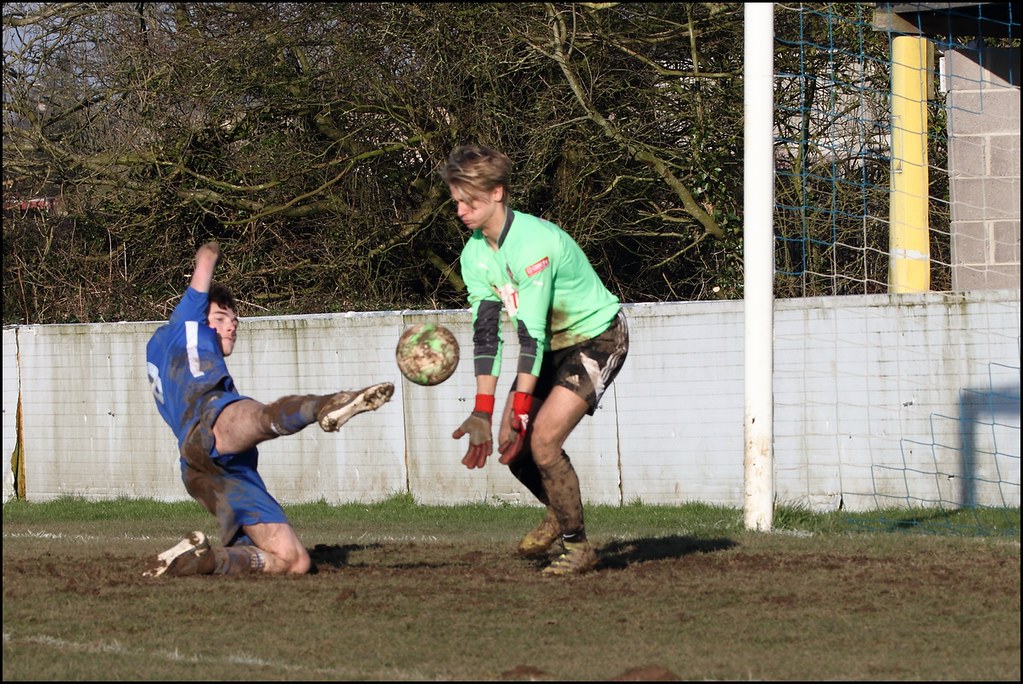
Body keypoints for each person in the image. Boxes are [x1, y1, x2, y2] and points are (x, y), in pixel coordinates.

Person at [143, 241, 394, 577]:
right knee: (263, 418)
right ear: (200, 315)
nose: (231, 325)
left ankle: (207, 559)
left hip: (202, 468)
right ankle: (326, 404)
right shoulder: (183, 323)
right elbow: (206, 257)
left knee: (294, 561)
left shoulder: (158, 352)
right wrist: (216, 244)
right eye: (220, 317)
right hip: (210, 416)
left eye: (234, 320)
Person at [441, 144, 629, 576]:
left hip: (597, 336)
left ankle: (578, 548)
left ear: (498, 193)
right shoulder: (474, 255)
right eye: (456, 201)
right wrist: (482, 411)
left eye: (469, 201)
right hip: (549, 344)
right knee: (513, 443)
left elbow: (532, 333)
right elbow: (487, 333)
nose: (461, 211)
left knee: (542, 441)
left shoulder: (534, 243)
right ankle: (559, 513)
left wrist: (523, 405)